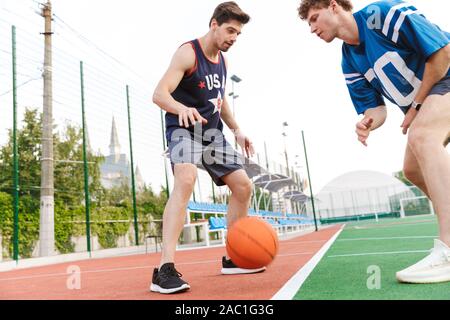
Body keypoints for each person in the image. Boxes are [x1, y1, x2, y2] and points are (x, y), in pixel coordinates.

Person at [297, 0, 450, 283]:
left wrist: (416, 106)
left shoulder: (382, 14)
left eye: (314, 19)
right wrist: (368, 121)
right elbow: (376, 109)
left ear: (334, 6)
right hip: (429, 101)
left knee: (423, 136)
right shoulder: (349, 59)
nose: (312, 29)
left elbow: (442, 53)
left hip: (446, 77)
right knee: (413, 169)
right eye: (309, 24)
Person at [151, 1, 265, 294]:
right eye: (229, 30)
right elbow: (159, 94)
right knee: (185, 179)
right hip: (183, 130)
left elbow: (220, 99)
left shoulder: (223, 61)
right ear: (214, 24)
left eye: (238, 34)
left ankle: (233, 257)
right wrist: (181, 108)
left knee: (243, 187)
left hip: (212, 134)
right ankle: (164, 269)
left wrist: (238, 130)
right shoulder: (188, 52)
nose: (233, 38)